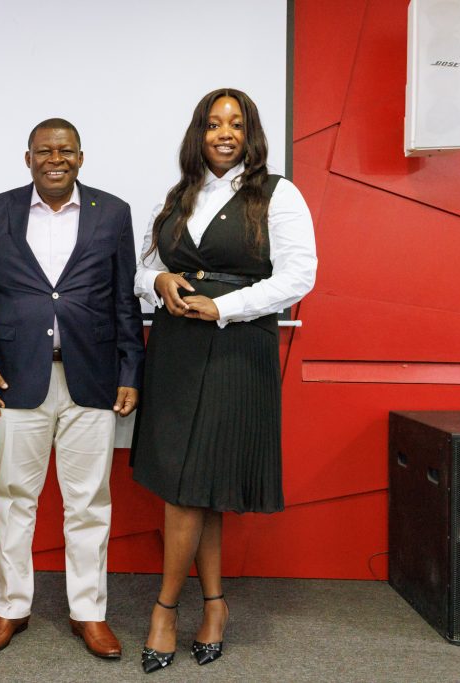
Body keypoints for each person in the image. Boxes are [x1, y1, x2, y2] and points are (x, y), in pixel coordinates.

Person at [130, 89, 317, 674]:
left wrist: (225, 307)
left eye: (236, 124)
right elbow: (144, 266)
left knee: (191, 484)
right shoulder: (178, 196)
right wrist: (158, 284)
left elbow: (300, 275)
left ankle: (164, 610)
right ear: (199, 133)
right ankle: (214, 605)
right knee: (196, 483)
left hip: (236, 349)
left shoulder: (278, 194)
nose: (224, 133)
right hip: (177, 349)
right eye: (213, 124)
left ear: (251, 133)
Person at [0, 118, 145, 660]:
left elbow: (123, 299)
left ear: (81, 157)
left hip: (92, 376)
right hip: (16, 376)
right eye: (44, 151)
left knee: (89, 501)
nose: (55, 158)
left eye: (65, 150)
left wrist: (130, 371)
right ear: (28, 159)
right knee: (13, 498)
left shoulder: (112, 212)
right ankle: (10, 608)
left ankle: (89, 612)